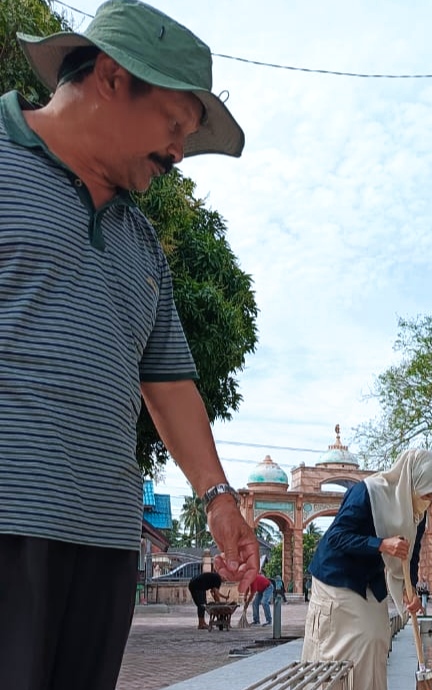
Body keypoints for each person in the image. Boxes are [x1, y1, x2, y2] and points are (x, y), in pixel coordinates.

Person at [0, 2, 257, 688]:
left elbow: (168, 383)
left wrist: (220, 498)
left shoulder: (140, 240)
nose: (177, 153)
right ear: (113, 78)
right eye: (174, 125)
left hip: (105, 546)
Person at [301, 448, 432, 690]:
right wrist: (381, 544)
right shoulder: (368, 492)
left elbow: (409, 554)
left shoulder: (416, 511)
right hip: (337, 578)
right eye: (429, 493)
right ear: (414, 481)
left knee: (377, 638)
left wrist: (407, 591)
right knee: (342, 648)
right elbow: (336, 537)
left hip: (370, 580)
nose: (430, 501)